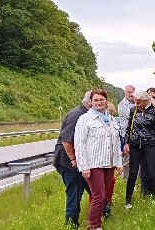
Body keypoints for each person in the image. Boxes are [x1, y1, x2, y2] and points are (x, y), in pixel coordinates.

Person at [74, 89, 123, 230]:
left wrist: (118, 163)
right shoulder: (85, 119)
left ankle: (97, 222)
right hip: (93, 164)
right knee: (98, 196)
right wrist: (84, 166)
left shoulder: (111, 119)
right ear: (91, 102)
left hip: (109, 164)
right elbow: (79, 144)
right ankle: (93, 225)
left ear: (106, 101)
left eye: (101, 99)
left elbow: (116, 143)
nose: (98, 102)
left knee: (105, 196)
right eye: (95, 100)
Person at [53, 91, 92, 228]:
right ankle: (71, 223)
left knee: (93, 189)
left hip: (78, 160)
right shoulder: (77, 115)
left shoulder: (86, 114)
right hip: (68, 161)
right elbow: (66, 140)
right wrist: (74, 159)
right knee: (74, 192)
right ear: (89, 102)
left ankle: (104, 213)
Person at [123, 91, 155, 209]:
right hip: (135, 144)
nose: (136, 104)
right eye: (135, 102)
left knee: (151, 172)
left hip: (150, 144)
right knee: (133, 173)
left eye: (138, 102)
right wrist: (126, 143)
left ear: (146, 100)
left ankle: (152, 197)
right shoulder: (133, 110)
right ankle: (128, 200)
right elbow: (128, 128)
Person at [117, 85, 135, 180]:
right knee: (126, 157)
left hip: (135, 133)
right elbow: (130, 115)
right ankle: (125, 178)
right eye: (129, 92)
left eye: (132, 92)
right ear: (125, 93)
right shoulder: (122, 104)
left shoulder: (136, 102)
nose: (131, 94)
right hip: (126, 134)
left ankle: (134, 179)